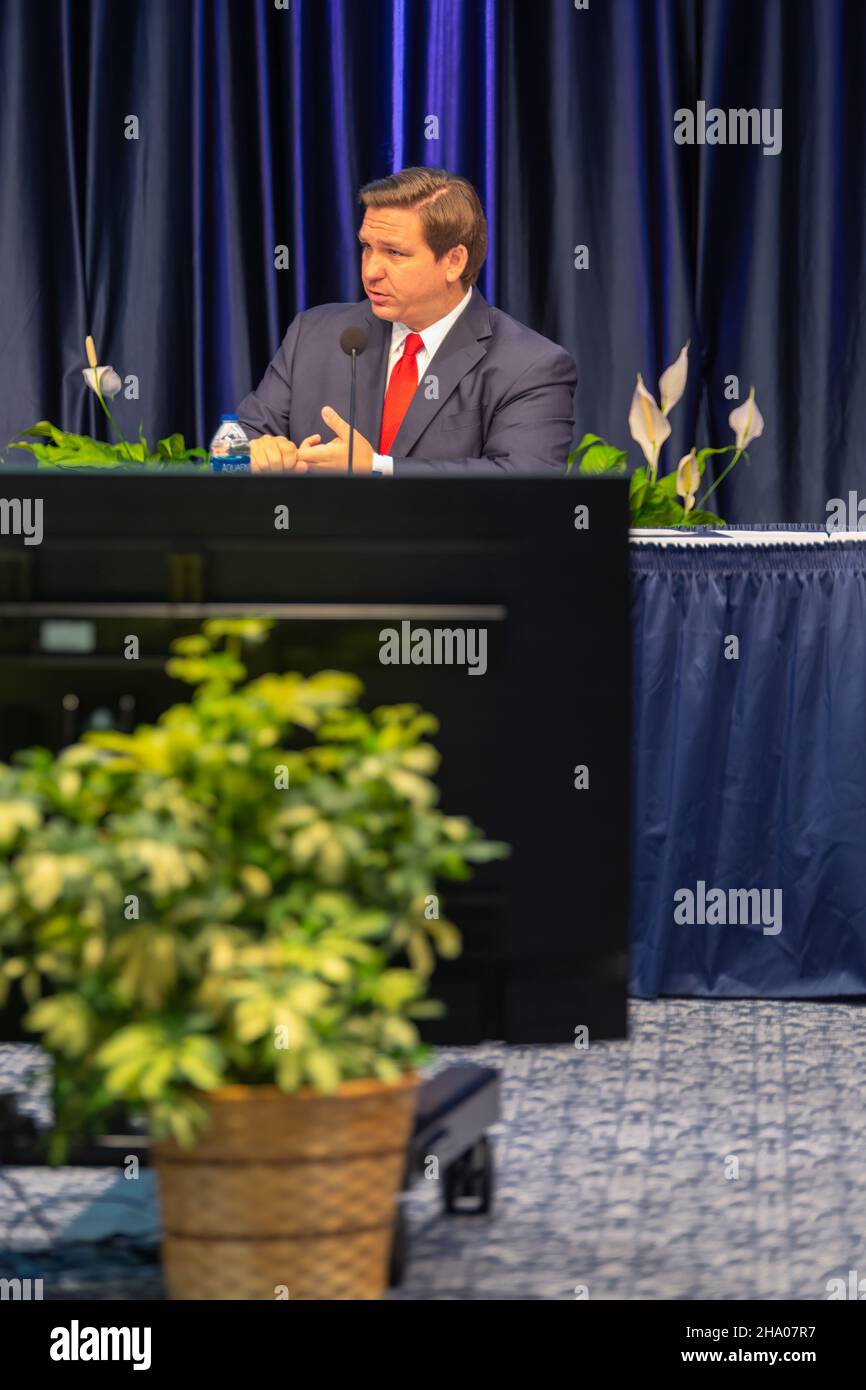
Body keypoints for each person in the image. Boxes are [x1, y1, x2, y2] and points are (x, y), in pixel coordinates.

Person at [236, 166, 576, 476]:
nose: (370, 271)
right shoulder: (313, 334)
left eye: (394, 253)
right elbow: (237, 439)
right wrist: (255, 452)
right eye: (367, 247)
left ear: (454, 261)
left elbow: (523, 484)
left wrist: (379, 468)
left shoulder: (531, 367)